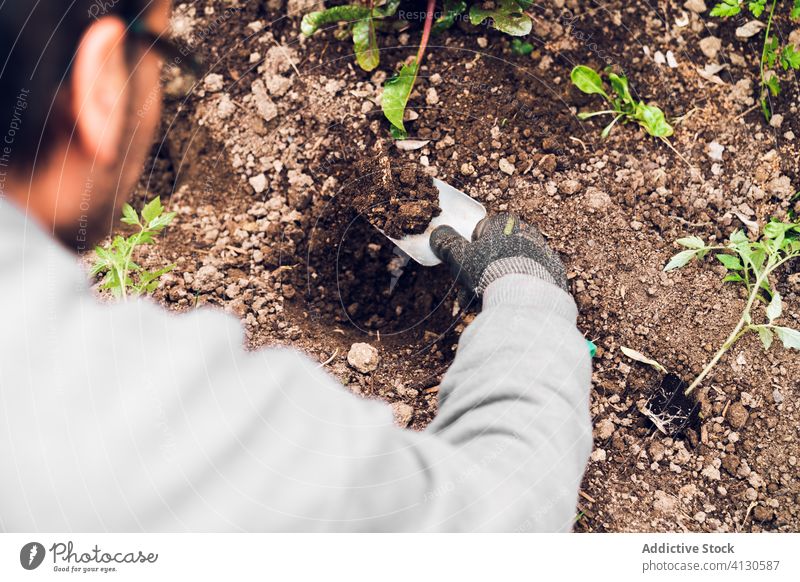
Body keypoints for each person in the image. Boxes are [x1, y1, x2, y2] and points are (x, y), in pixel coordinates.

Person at [0, 0, 592, 531]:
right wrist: (525, 290)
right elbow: (498, 516)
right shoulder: (132, 422)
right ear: (104, 83)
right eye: (162, 54)